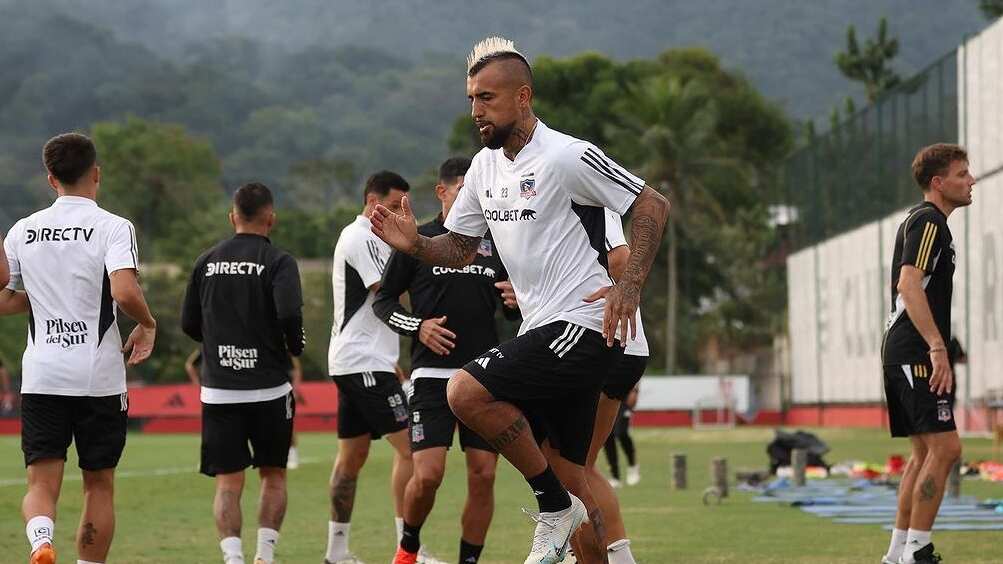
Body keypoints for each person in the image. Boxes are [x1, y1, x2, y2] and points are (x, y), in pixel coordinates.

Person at [370, 37, 669, 563]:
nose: (475, 110)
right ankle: (571, 514)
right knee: (573, 474)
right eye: (471, 99)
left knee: (465, 392)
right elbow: (459, 248)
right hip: (543, 330)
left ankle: (552, 508)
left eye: (486, 98)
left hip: (581, 325)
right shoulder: (483, 168)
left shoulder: (567, 155)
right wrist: (415, 244)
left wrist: (629, 287)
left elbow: (652, 204)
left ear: (523, 97)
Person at [3, 132, 157, 564]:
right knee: (98, 485)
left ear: (51, 179)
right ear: (96, 173)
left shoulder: (22, 230)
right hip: (98, 378)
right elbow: (124, 291)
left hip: (42, 376)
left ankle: (41, 540)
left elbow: (4, 300)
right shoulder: (113, 226)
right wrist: (147, 324)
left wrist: (44, 296)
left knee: (40, 483)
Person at [374, 157, 519, 564]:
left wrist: (516, 301)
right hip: (431, 378)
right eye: (463, 191)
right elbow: (383, 303)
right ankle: (408, 548)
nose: (475, 200)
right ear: (441, 192)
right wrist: (417, 326)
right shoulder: (417, 239)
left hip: (483, 378)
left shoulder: (495, 242)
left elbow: (513, 308)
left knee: (484, 475)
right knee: (428, 475)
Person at [181, 182, 305, 564]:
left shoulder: (205, 261)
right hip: (269, 389)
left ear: (232, 216)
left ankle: (233, 558)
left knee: (228, 482)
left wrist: (221, 343)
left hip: (220, 390)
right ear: (271, 218)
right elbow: (289, 313)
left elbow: (189, 324)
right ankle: (264, 555)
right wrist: (293, 344)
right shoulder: (280, 261)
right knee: (274, 475)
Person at [880, 143, 974, 564]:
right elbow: (908, 284)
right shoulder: (930, 221)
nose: (971, 180)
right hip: (914, 352)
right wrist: (937, 347)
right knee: (947, 449)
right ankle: (917, 551)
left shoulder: (924, 221)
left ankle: (898, 553)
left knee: (924, 454)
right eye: (962, 173)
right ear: (938, 183)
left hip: (902, 351)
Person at [325, 171, 415, 564]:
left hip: (363, 361)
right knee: (414, 449)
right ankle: (407, 551)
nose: (398, 214)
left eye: (403, 208)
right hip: (362, 361)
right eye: (393, 206)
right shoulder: (359, 236)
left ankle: (336, 553)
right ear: (372, 201)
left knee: (351, 459)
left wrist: (391, 360)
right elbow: (387, 295)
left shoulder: (377, 239)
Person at [186, 348, 304, 470]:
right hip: (223, 390)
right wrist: (199, 385)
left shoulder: (274, 343)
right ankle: (214, 457)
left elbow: (295, 367)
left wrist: (294, 388)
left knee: (282, 424)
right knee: (218, 427)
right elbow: (190, 365)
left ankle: (292, 453)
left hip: (271, 388)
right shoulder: (210, 344)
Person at [604, 386, 640, 488]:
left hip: (624, 397)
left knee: (621, 432)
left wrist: (635, 391)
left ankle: (632, 465)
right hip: (606, 396)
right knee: (607, 435)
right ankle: (615, 476)